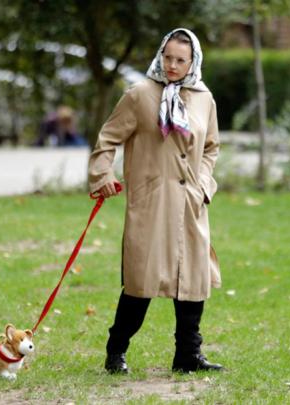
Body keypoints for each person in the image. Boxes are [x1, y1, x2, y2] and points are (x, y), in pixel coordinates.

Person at [87, 28, 222, 374]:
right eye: (168, 57)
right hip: (151, 201)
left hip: (191, 201)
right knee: (140, 281)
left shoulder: (204, 98)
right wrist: (103, 176)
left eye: (181, 60)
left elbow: (211, 148)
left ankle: (188, 355)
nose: (173, 65)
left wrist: (204, 185)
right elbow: (108, 138)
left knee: (193, 281)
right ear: (161, 55)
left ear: (193, 61)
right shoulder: (140, 94)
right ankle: (116, 352)